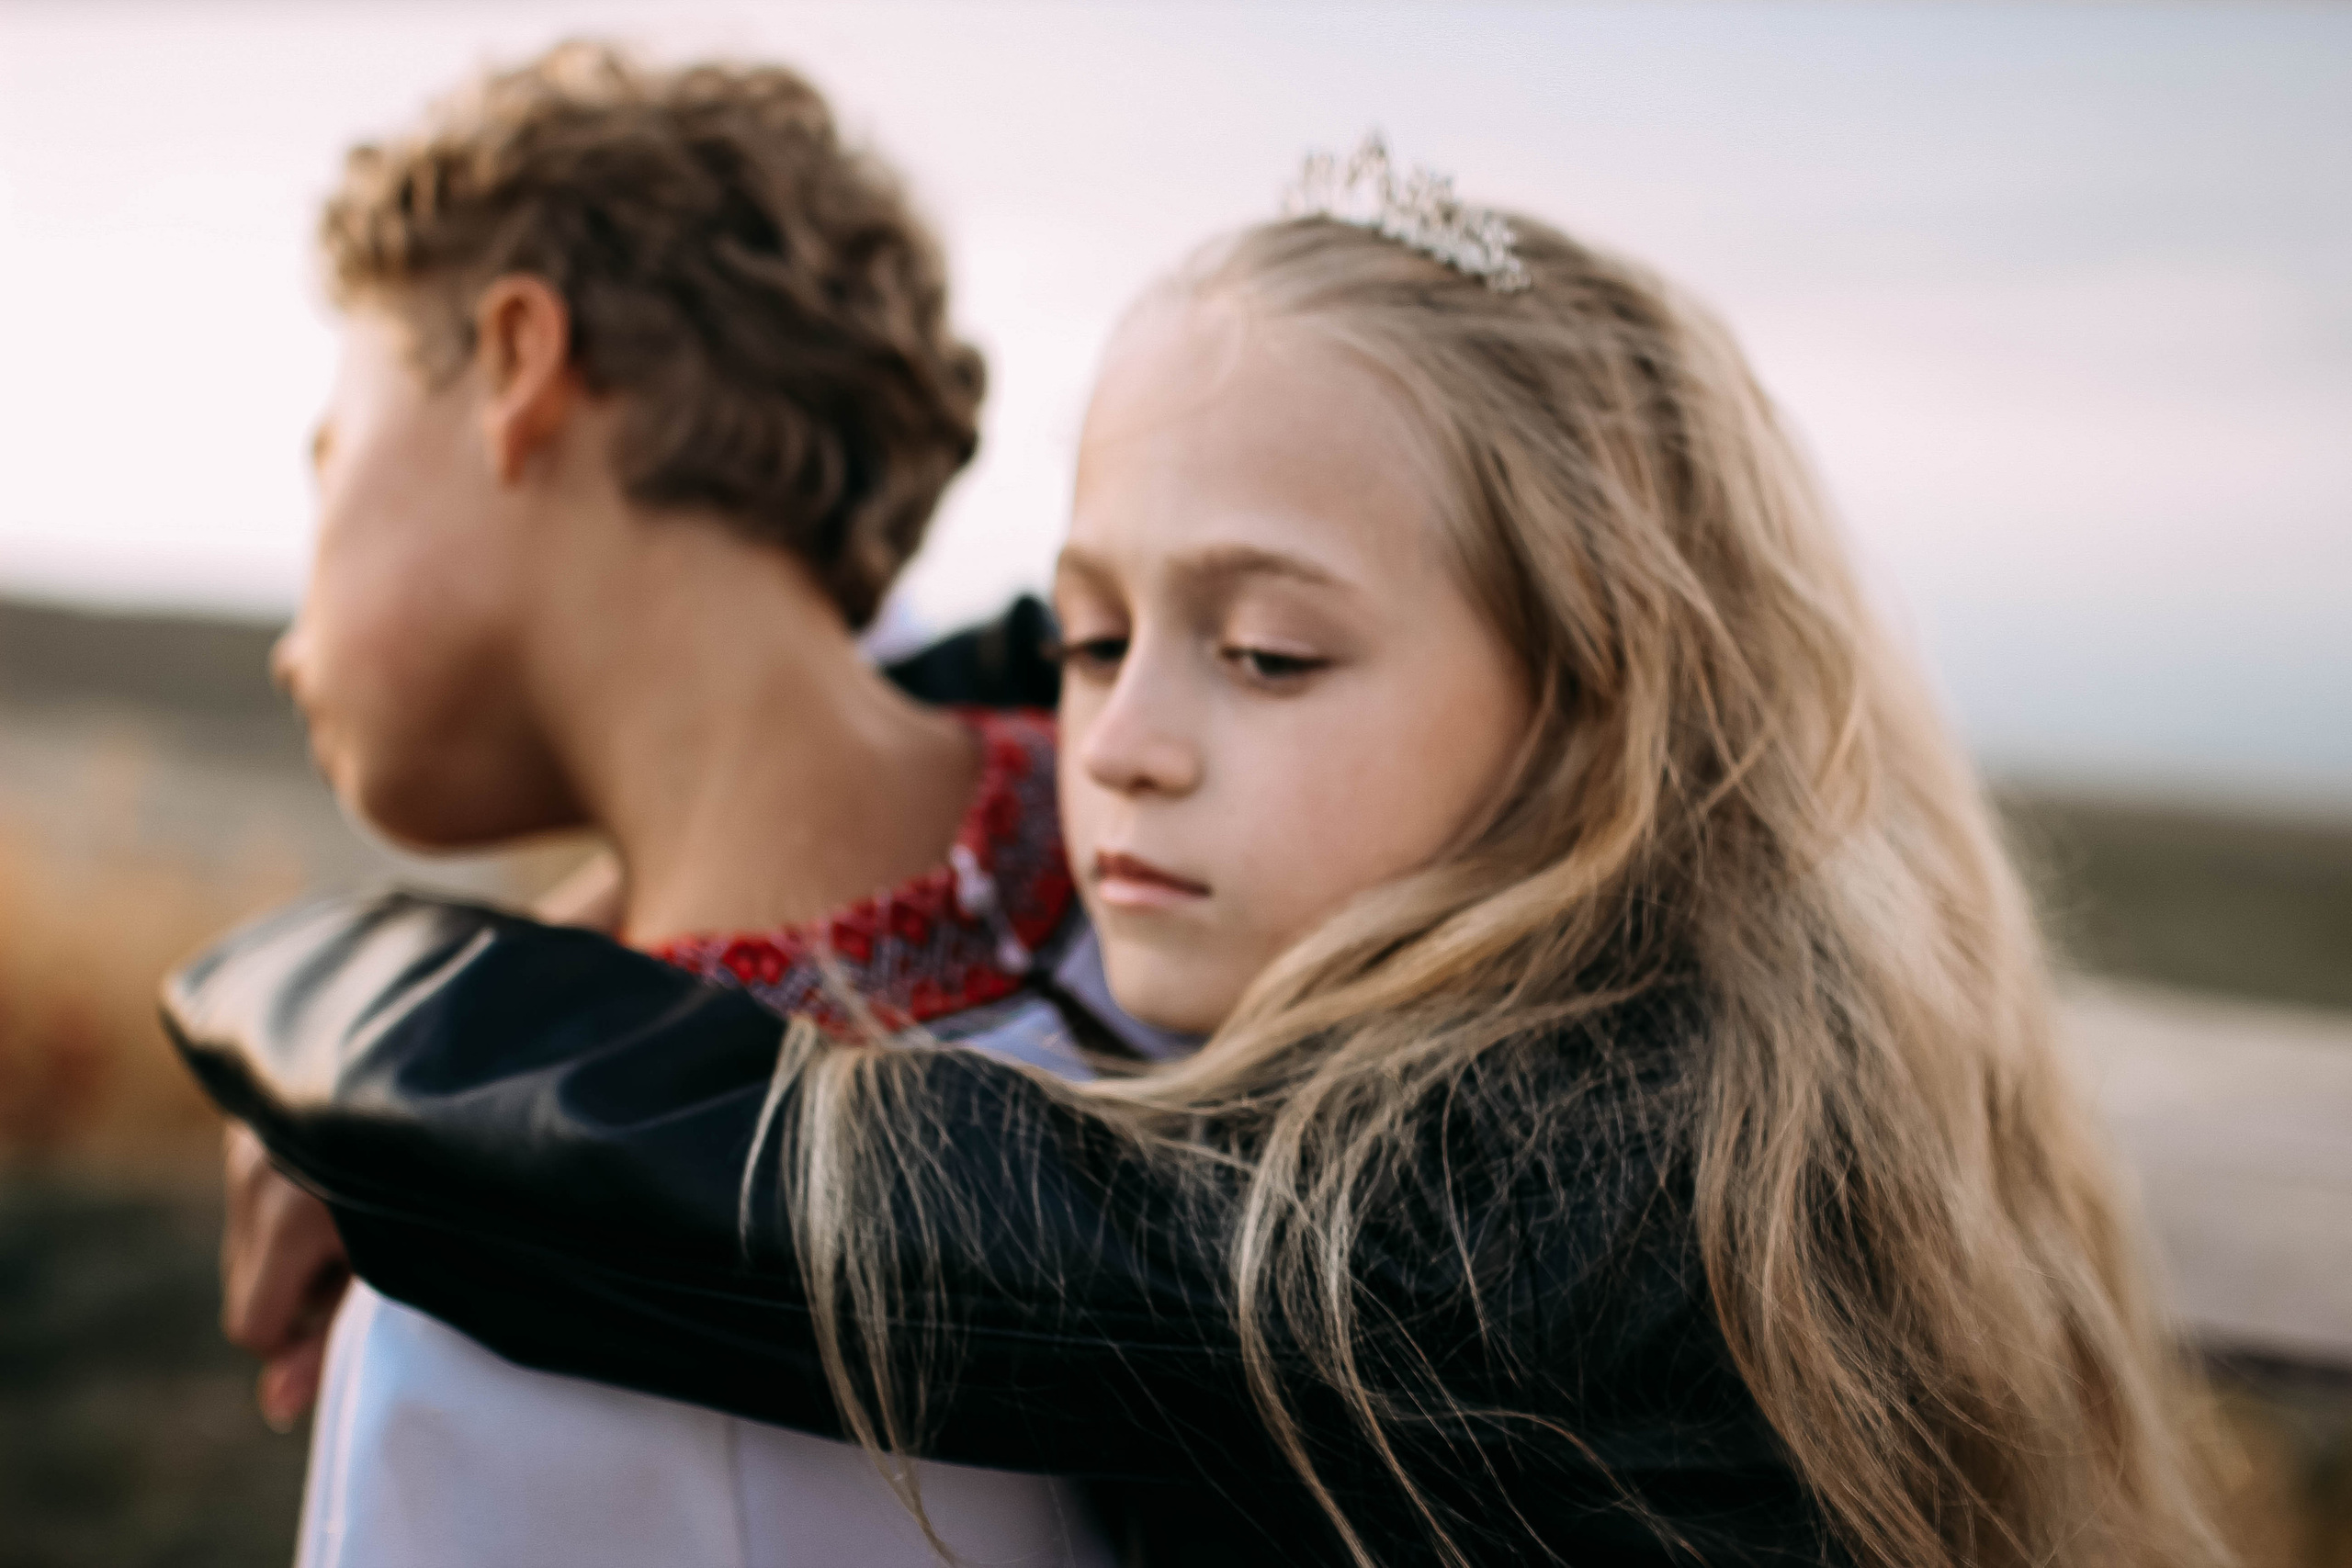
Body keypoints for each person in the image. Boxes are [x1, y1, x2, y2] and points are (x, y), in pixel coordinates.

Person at [171, 138, 2232, 1566]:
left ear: (1603, 709)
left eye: (1260, 648)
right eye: (1091, 632)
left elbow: (815, 1205)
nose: (1123, 742)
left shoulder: (1573, 1186)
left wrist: (312, 998)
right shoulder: (1679, 964)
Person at [222, 39, 1137, 1568]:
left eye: (330, 457)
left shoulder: (488, 1278)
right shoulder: (1211, 846)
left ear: (517, 362)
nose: (284, 641)